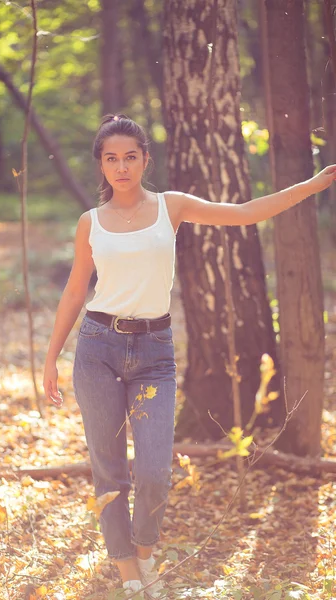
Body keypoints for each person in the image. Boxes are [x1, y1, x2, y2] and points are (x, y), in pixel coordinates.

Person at [43, 113, 336, 599]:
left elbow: (244, 212)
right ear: (101, 165)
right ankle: (127, 573)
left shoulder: (170, 207)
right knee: (109, 468)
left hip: (155, 351)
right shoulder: (89, 223)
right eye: (111, 159)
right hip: (98, 349)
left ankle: (144, 547)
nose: (121, 167)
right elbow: (76, 291)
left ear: (145, 160)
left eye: (130, 157)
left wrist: (311, 186)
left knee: (156, 469)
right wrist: (51, 356)